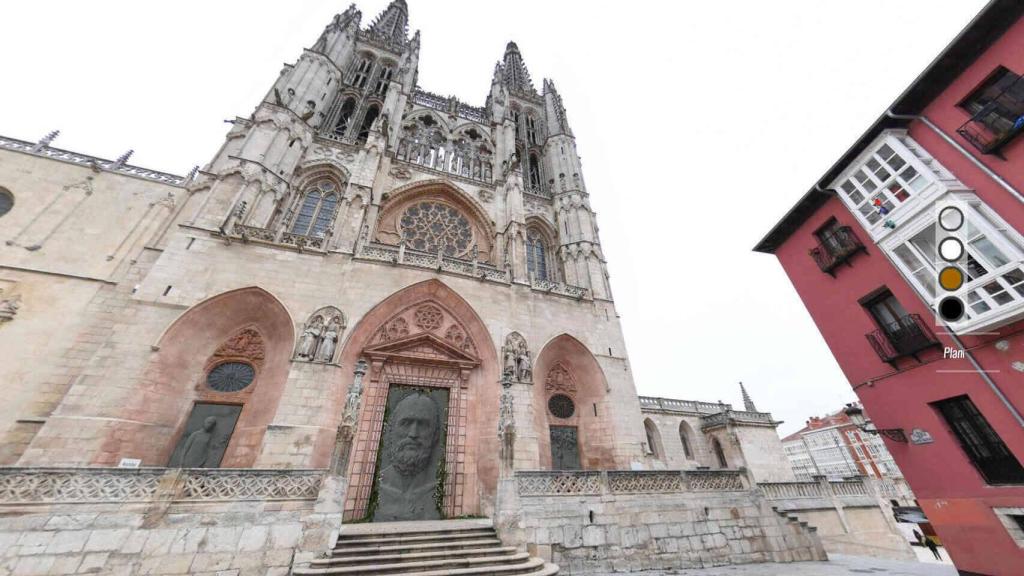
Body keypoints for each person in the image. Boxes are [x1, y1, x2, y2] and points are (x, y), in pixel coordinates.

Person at [374, 393, 442, 521]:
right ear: (391, 430)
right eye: (405, 423)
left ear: (435, 435)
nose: (413, 434)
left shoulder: (437, 487)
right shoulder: (378, 484)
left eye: (423, 425)